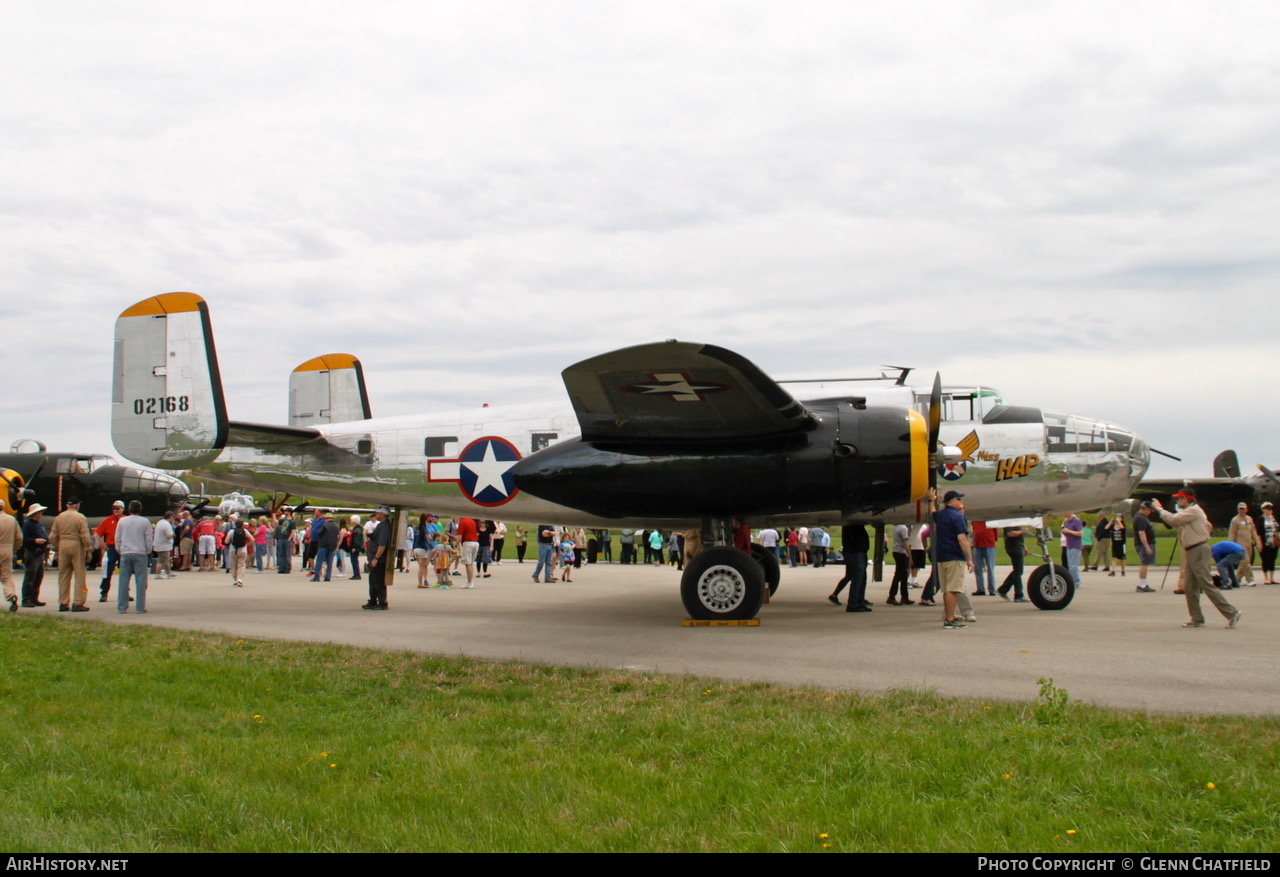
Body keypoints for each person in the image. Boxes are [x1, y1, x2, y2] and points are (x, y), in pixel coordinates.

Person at [1152, 489, 1241, 629]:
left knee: (1206, 584)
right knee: (1190, 587)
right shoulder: (1189, 512)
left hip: (1198, 550)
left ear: (1187, 499)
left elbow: (1174, 520)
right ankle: (1197, 618)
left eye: (1180, 498)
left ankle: (1231, 613)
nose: (1178, 501)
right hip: (1191, 550)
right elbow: (1177, 522)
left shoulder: (1194, 511)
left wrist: (1159, 509)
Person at [933, 490, 974, 628]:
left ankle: (948, 614)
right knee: (954, 588)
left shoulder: (941, 515)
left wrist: (931, 500)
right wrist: (969, 559)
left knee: (946, 589)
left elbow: (933, 512)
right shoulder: (957, 516)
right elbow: (962, 539)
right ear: (952, 502)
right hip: (955, 556)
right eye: (959, 499)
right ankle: (950, 619)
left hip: (942, 556)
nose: (961, 502)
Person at [49, 497, 92, 611]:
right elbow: (85, 535)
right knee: (80, 576)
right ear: (77, 505)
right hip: (76, 544)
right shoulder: (80, 517)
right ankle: (78, 602)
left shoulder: (59, 517)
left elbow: (53, 536)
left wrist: (57, 547)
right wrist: (88, 549)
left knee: (63, 576)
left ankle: (63, 602)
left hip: (63, 544)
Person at [115, 500, 152, 613]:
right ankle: (140, 607)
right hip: (140, 552)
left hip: (126, 552)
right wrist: (147, 550)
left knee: (123, 580)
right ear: (140, 509)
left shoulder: (122, 521)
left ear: (129, 509)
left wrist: (119, 549)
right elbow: (148, 538)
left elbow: (118, 537)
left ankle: (122, 606)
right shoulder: (145, 522)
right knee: (141, 581)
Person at [830, 524, 870, 612]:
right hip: (856, 552)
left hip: (857, 551)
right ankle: (853, 603)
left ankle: (859, 602)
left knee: (861, 579)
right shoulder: (851, 525)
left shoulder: (853, 526)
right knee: (857, 578)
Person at [95, 499, 125, 602]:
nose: (116, 510)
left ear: (122, 509)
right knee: (107, 571)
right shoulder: (108, 520)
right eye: (114, 508)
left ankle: (125, 592)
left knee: (125, 571)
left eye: (118, 508)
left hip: (123, 548)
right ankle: (104, 593)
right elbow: (97, 533)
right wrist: (101, 543)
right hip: (111, 548)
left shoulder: (126, 520)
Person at [20, 503, 49, 607]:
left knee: (38, 576)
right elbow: (23, 539)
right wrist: (35, 541)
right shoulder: (28, 525)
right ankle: (26, 599)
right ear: (34, 514)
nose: (40, 514)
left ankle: (34, 597)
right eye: (39, 513)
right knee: (30, 576)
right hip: (32, 552)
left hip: (39, 552)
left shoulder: (39, 524)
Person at [363, 507, 392, 610]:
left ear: (383, 514)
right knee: (373, 580)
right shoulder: (382, 525)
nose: (375, 514)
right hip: (374, 557)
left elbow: (382, 544)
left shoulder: (384, 527)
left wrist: (376, 558)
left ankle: (382, 602)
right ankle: (373, 600)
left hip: (379, 559)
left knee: (378, 581)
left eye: (377, 512)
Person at [1228, 504, 1262, 587]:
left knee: (1245, 563)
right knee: (1245, 561)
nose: (1242, 510)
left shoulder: (1249, 519)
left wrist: (1257, 542)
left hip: (1248, 543)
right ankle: (1250, 579)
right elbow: (1232, 533)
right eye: (1240, 509)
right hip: (1240, 544)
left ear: (1246, 509)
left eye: (1243, 509)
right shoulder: (1235, 520)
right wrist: (1231, 545)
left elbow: (1253, 532)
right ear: (1238, 510)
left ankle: (1236, 579)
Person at [996, 525, 1028, 601]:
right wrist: (1023, 531)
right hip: (1014, 548)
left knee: (1017, 571)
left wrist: (1023, 546)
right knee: (1018, 572)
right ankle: (1018, 595)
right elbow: (1010, 533)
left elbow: (1018, 538)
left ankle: (1003, 590)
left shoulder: (1015, 522)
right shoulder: (1008, 522)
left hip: (1018, 546)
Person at [1133, 502, 1158, 592]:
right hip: (1144, 544)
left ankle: (1142, 583)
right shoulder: (1140, 518)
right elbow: (1141, 532)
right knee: (1144, 564)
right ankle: (1142, 585)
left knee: (1145, 563)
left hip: (1145, 544)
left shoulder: (1141, 517)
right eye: (1150, 510)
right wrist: (1147, 546)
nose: (1150, 512)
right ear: (1146, 509)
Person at [885, 523, 913, 605]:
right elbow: (905, 543)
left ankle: (905, 596)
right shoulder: (904, 528)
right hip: (901, 553)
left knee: (904, 575)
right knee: (898, 575)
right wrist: (910, 556)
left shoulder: (897, 527)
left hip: (896, 551)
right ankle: (891, 596)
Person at [0, 505, 21, 612]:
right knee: (6, 576)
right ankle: (10, 594)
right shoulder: (11, 520)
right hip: (7, 550)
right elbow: (19, 537)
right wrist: (13, 550)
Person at [971, 520, 997, 596]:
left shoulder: (990, 518)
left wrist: (994, 540)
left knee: (990, 567)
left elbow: (995, 529)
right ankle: (980, 588)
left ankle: (992, 589)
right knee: (978, 567)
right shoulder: (975, 519)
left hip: (989, 543)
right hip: (977, 543)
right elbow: (974, 529)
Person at [1061, 513, 1084, 589]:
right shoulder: (1067, 522)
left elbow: (1080, 533)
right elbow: (1067, 534)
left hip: (1075, 545)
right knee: (1069, 565)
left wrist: (1069, 531)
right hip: (1069, 545)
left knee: (1073, 566)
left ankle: (1076, 581)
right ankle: (1071, 580)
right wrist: (1064, 532)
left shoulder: (1076, 521)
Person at [152, 511, 177, 579]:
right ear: (171, 517)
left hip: (158, 544)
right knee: (165, 560)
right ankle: (167, 573)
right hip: (164, 545)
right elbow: (169, 535)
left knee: (161, 559)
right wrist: (173, 535)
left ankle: (163, 573)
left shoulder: (160, 522)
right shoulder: (166, 524)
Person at [456, 516, 479, 588]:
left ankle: (470, 582)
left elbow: (459, 537)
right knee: (471, 563)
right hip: (475, 542)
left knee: (467, 563)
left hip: (468, 543)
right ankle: (471, 581)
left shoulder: (462, 522)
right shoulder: (471, 520)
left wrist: (456, 545)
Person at [1262, 502, 1279, 586]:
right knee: (1266, 559)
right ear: (1264, 510)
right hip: (1265, 542)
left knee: (1273, 559)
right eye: (1268, 509)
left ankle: (1272, 577)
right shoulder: (1261, 519)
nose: (1270, 511)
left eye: (1271, 509)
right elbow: (1258, 532)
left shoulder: (1274, 518)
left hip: (1274, 542)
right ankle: (1266, 578)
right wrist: (1259, 543)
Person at [274, 510, 296, 574]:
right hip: (281, 539)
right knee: (281, 554)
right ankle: (281, 568)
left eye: (286, 511)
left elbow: (293, 531)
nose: (285, 513)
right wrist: (273, 514)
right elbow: (275, 521)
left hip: (287, 539)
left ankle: (287, 568)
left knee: (287, 554)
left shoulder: (292, 522)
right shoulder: (283, 520)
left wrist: (289, 538)